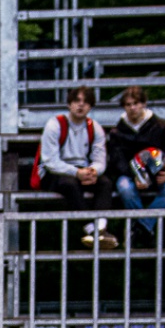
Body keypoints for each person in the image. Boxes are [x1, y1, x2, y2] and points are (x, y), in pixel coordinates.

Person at [39, 86, 114, 250]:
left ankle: (101, 228)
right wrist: (76, 172)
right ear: (69, 104)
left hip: (83, 170)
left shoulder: (95, 127)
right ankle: (92, 230)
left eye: (86, 102)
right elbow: (50, 161)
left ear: (90, 107)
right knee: (69, 184)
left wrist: (93, 171)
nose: (81, 105)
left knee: (105, 183)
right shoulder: (55, 124)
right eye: (77, 101)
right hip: (55, 172)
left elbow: (100, 159)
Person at [107, 85, 165, 241]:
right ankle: (144, 229)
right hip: (131, 176)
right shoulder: (117, 132)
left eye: (136, 103)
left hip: (157, 174)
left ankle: (142, 226)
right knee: (124, 186)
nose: (132, 108)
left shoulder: (160, 126)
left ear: (143, 103)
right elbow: (118, 161)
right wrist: (136, 175)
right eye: (128, 104)